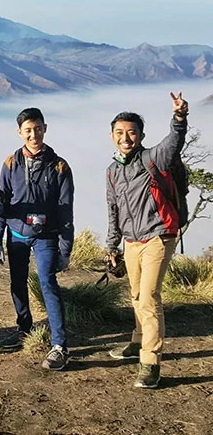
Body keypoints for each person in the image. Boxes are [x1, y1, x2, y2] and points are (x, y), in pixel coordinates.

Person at [106, 91, 188, 389]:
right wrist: (112, 245)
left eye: (131, 132)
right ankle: (138, 340)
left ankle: (150, 362)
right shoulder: (113, 171)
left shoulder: (154, 158)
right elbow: (113, 210)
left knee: (149, 297)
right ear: (112, 136)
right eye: (119, 132)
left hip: (158, 236)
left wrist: (179, 117)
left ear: (141, 135)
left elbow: (173, 141)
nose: (125, 138)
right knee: (136, 295)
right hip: (131, 241)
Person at [0, 108, 74, 371]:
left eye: (37, 128)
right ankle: (24, 329)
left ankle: (59, 345)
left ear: (45, 128)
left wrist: (65, 249)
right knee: (17, 282)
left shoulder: (59, 166)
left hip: (46, 235)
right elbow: (1, 203)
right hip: (16, 233)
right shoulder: (10, 163)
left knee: (48, 283)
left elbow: (65, 210)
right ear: (19, 132)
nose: (33, 134)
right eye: (28, 130)